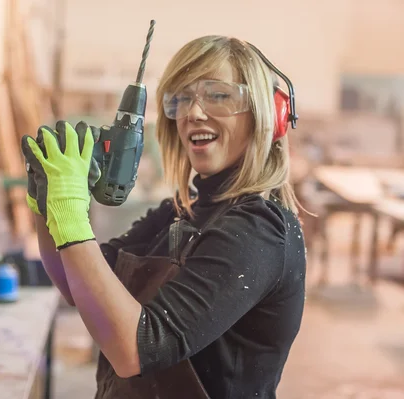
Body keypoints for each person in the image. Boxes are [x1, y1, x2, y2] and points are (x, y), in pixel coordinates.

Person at [21, 35, 306, 399]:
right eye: (182, 98)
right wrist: (46, 203)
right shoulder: (181, 210)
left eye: (218, 95)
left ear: (268, 114)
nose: (193, 112)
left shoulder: (259, 231)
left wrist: (72, 216)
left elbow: (135, 350)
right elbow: (75, 283)